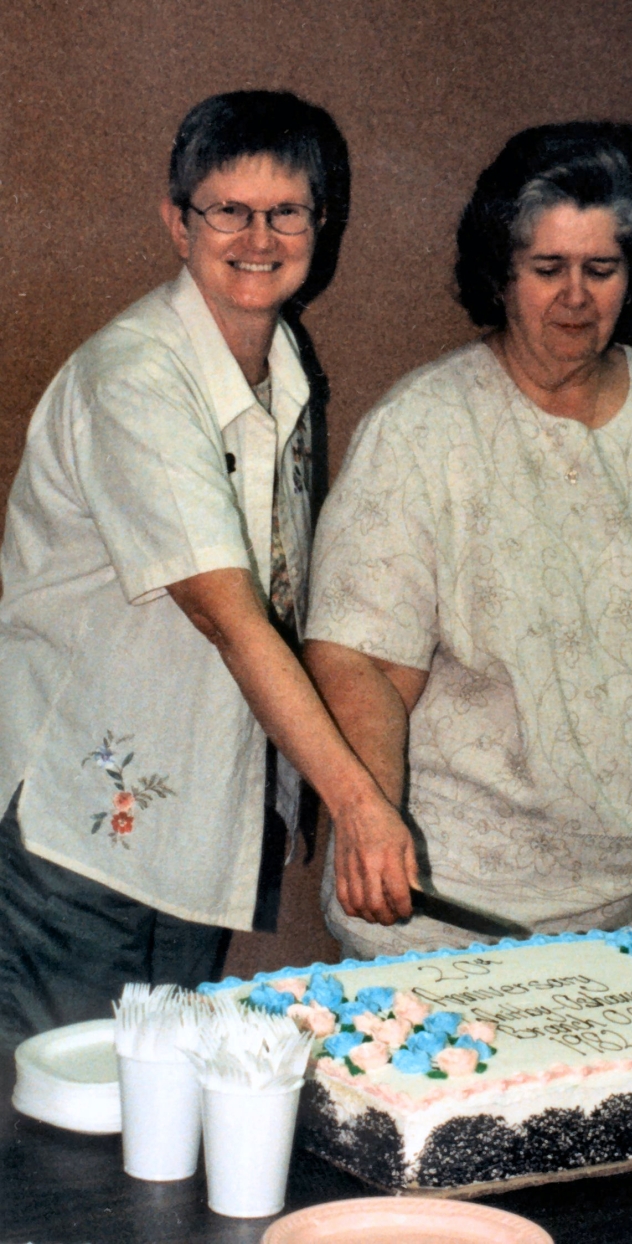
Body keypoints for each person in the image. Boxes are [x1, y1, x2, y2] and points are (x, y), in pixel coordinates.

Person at [304, 122, 632, 961]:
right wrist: (369, 819)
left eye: (599, 269)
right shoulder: (420, 431)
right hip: (467, 910)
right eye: (547, 269)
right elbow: (360, 662)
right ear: (500, 274)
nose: (574, 296)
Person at [0, 90, 409, 1051]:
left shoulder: (283, 360)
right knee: (62, 1129)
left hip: (190, 822)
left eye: (287, 212)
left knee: (159, 1101)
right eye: (228, 209)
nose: (257, 237)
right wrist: (358, 806)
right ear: (176, 221)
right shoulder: (137, 376)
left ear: (321, 224)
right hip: (78, 831)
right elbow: (228, 615)